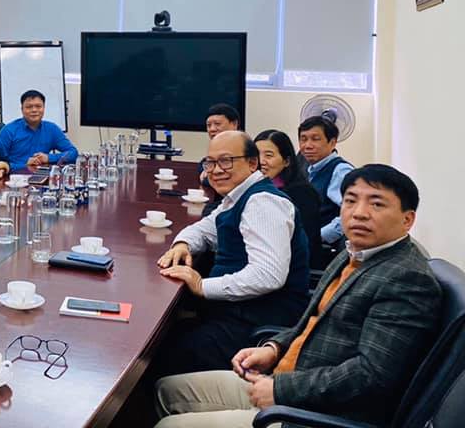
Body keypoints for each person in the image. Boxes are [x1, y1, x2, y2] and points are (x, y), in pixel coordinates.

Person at [154, 164, 442, 427]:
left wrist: (280, 390)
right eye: (351, 200)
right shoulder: (354, 253)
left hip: (317, 413)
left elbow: (371, 376)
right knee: (165, 390)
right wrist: (274, 348)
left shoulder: (407, 278)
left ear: (407, 219)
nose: (359, 213)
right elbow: (312, 322)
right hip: (290, 378)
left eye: (376, 204)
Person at [154, 131, 310, 377]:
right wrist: (182, 244)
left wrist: (203, 286)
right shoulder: (238, 197)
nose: (216, 170)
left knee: (158, 356)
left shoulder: (263, 203)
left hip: (256, 328)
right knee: (163, 338)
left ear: (252, 163)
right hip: (232, 315)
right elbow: (203, 230)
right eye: (210, 162)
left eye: (226, 161)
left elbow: (268, 275)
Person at [254, 129, 323, 268]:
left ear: (286, 161)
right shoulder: (253, 188)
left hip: (289, 267)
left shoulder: (302, 193)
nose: (261, 162)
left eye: (269, 155)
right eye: (256, 155)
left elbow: (305, 243)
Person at [298, 116, 354, 246]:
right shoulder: (307, 169)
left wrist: (319, 236)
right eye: (303, 139)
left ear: (332, 143)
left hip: (326, 248)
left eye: (315, 139)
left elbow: (350, 213)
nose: (308, 146)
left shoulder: (340, 171)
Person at [0, 90, 77, 171]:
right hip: (14, 176)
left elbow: (73, 153)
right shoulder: (8, 131)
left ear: (44, 108)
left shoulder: (52, 129)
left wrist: (48, 158)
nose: (34, 110)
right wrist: (24, 165)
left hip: (42, 175)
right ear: (22, 109)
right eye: (29, 107)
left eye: (38, 106)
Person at [199, 104, 241, 216]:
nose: (212, 129)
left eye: (217, 124)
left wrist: (207, 177)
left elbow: (229, 180)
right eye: (208, 125)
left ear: (234, 124)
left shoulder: (241, 149)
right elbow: (203, 163)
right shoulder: (219, 147)